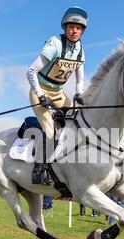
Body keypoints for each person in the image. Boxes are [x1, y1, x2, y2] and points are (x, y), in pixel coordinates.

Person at [26, 6, 88, 185]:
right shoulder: (55, 44)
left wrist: (79, 93)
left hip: (59, 94)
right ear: (65, 28)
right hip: (40, 91)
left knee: (80, 118)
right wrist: (40, 94)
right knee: (50, 131)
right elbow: (30, 71)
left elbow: (79, 76)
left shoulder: (81, 51)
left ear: (82, 31)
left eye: (78, 28)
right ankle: (38, 171)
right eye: (71, 27)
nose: (75, 31)